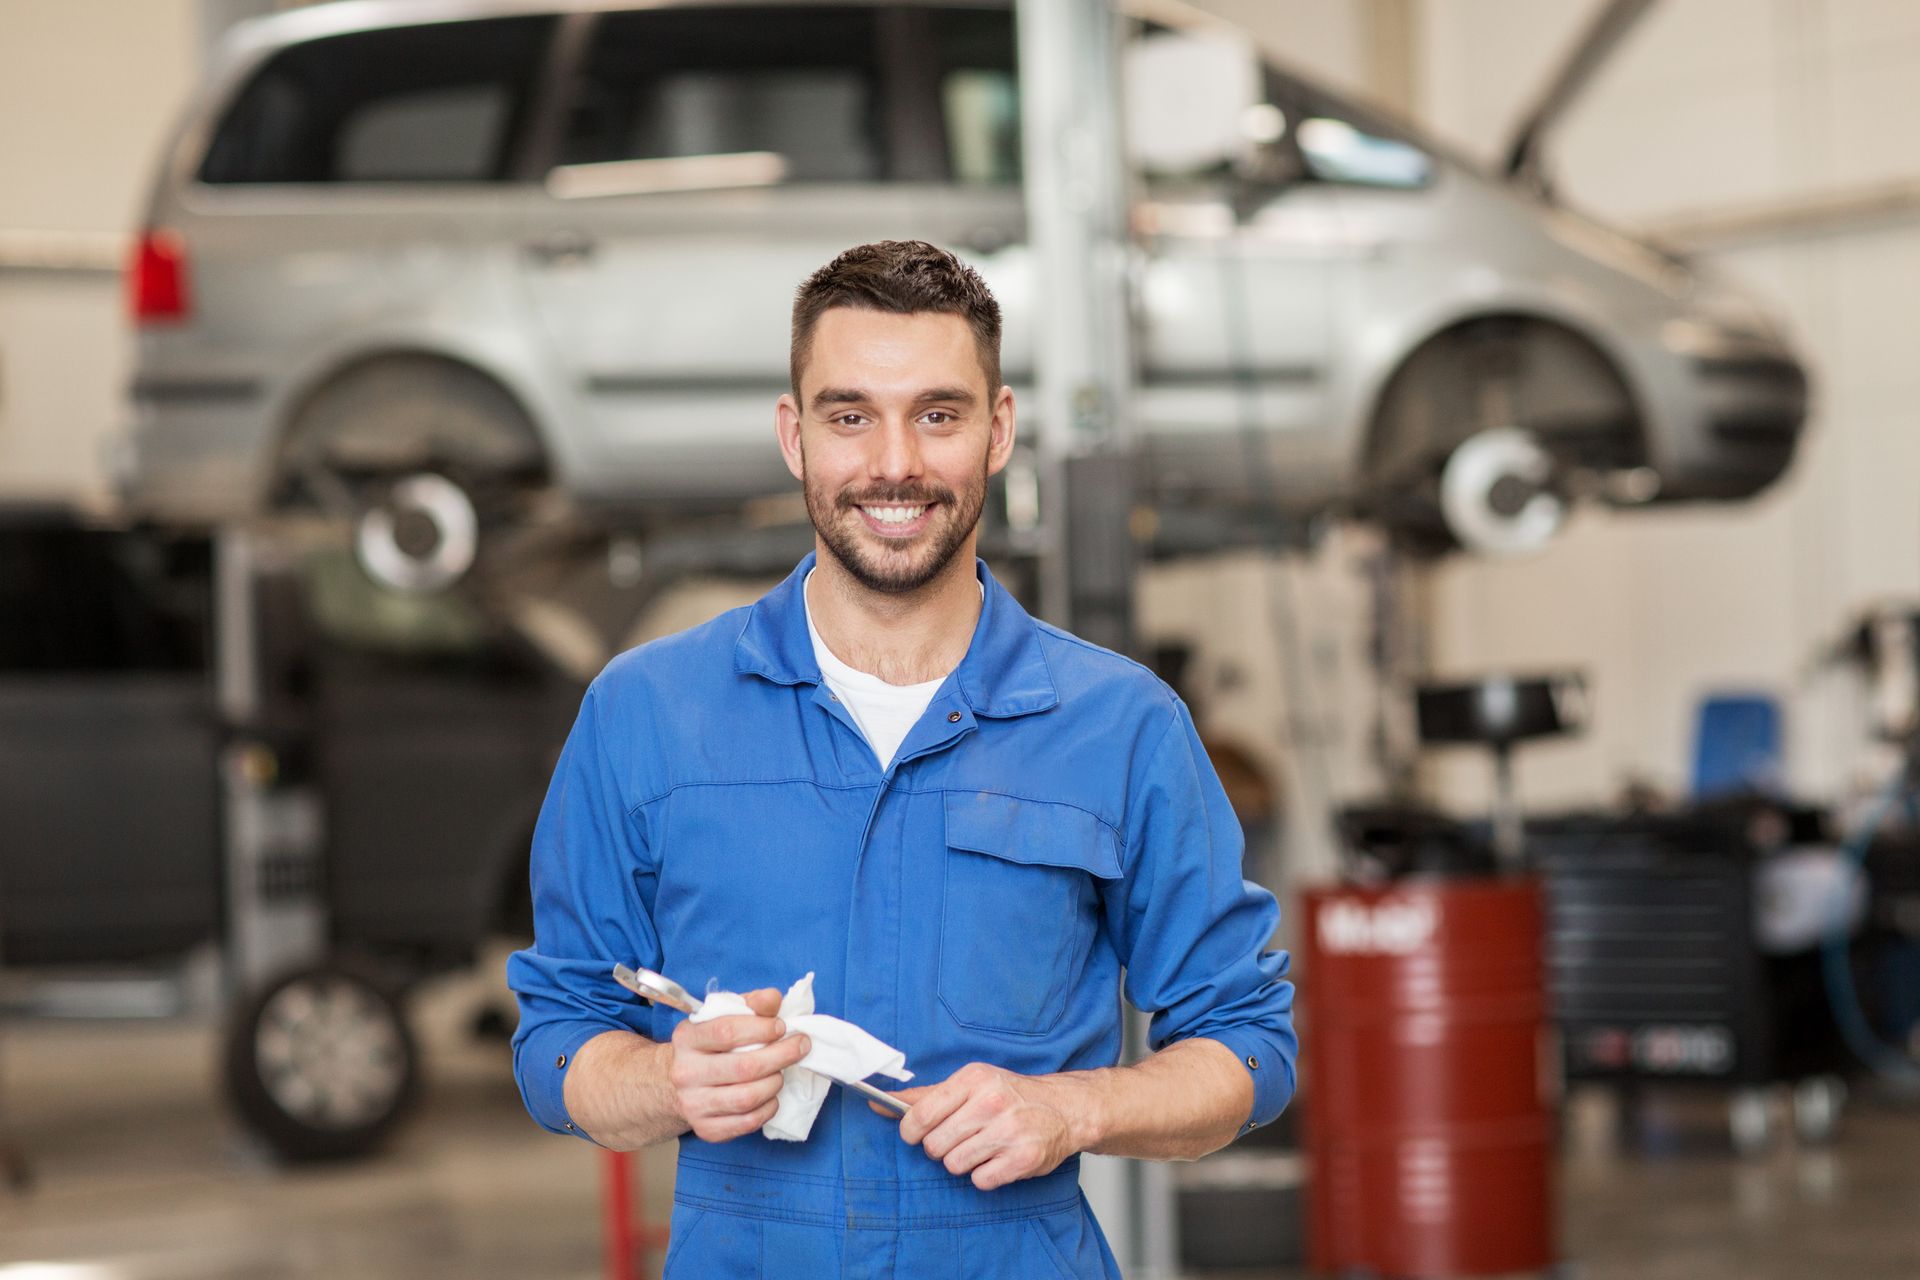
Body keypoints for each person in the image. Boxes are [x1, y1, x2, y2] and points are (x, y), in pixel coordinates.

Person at [508, 240, 1295, 1278]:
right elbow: (558, 1038)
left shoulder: (1122, 725)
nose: (894, 464)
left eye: (937, 413)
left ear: (998, 429)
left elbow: (1248, 1047)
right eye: (849, 416)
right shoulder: (646, 713)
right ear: (794, 437)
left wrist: (1072, 1104)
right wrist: (665, 1083)